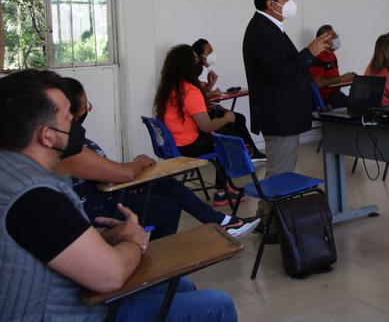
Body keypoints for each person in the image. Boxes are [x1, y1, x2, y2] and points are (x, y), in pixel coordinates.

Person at [0, 69, 237, 322]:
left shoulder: (12, 170)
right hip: (76, 312)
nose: (76, 122)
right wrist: (135, 240)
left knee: (182, 286)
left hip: (68, 290)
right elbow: (110, 274)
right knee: (217, 304)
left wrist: (110, 237)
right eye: (69, 117)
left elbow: (54, 242)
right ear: (46, 136)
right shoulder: (35, 198)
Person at [56, 77, 259, 239]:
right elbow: (121, 173)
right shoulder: (66, 147)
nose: (86, 111)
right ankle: (161, 259)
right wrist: (138, 163)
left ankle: (223, 222)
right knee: (167, 207)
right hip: (102, 205)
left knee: (166, 184)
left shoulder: (72, 139)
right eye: (85, 106)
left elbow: (104, 170)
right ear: (69, 112)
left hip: (109, 190)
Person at [242, 0, 331, 221]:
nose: (291, 3)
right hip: (279, 116)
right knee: (280, 176)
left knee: (279, 172)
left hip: (282, 115)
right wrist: (309, 53)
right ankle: (272, 225)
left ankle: (266, 218)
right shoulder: (262, 31)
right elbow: (281, 73)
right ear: (271, 4)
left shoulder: (268, 27)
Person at [154, 44, 254, 206]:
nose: (200, 64)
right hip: (188, 146)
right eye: (195, 61)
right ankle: (224, 189)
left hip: (174, 143)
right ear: (188, 66)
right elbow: (206, 126)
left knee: (222, 130)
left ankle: (229, 179)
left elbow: (195, 108)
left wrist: (208, 86)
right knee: (225, 133)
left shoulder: (173, 87)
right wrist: (228, 117)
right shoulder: (189, 90)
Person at [192, 38, 266, 161]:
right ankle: (247, 154)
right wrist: (214, 92)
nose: (213, 54)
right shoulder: (200, 71)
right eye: (209, 51)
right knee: (237, 119)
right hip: (205, 116)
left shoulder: (206, 71)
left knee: (237, 119)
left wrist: (212, 87)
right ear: (200, 56)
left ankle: (248, 153)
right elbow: (200, 95)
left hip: (209, 110)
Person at [307, 24, 355, 109]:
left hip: (335, 95)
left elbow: (332, 79)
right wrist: (342, 79)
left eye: (336, 36)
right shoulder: (317, 56)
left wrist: (349, 79)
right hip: (324, 101)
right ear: (323, 40)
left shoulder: (332, 55)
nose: (337, 38)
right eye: (333, 36)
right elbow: (318, 83)